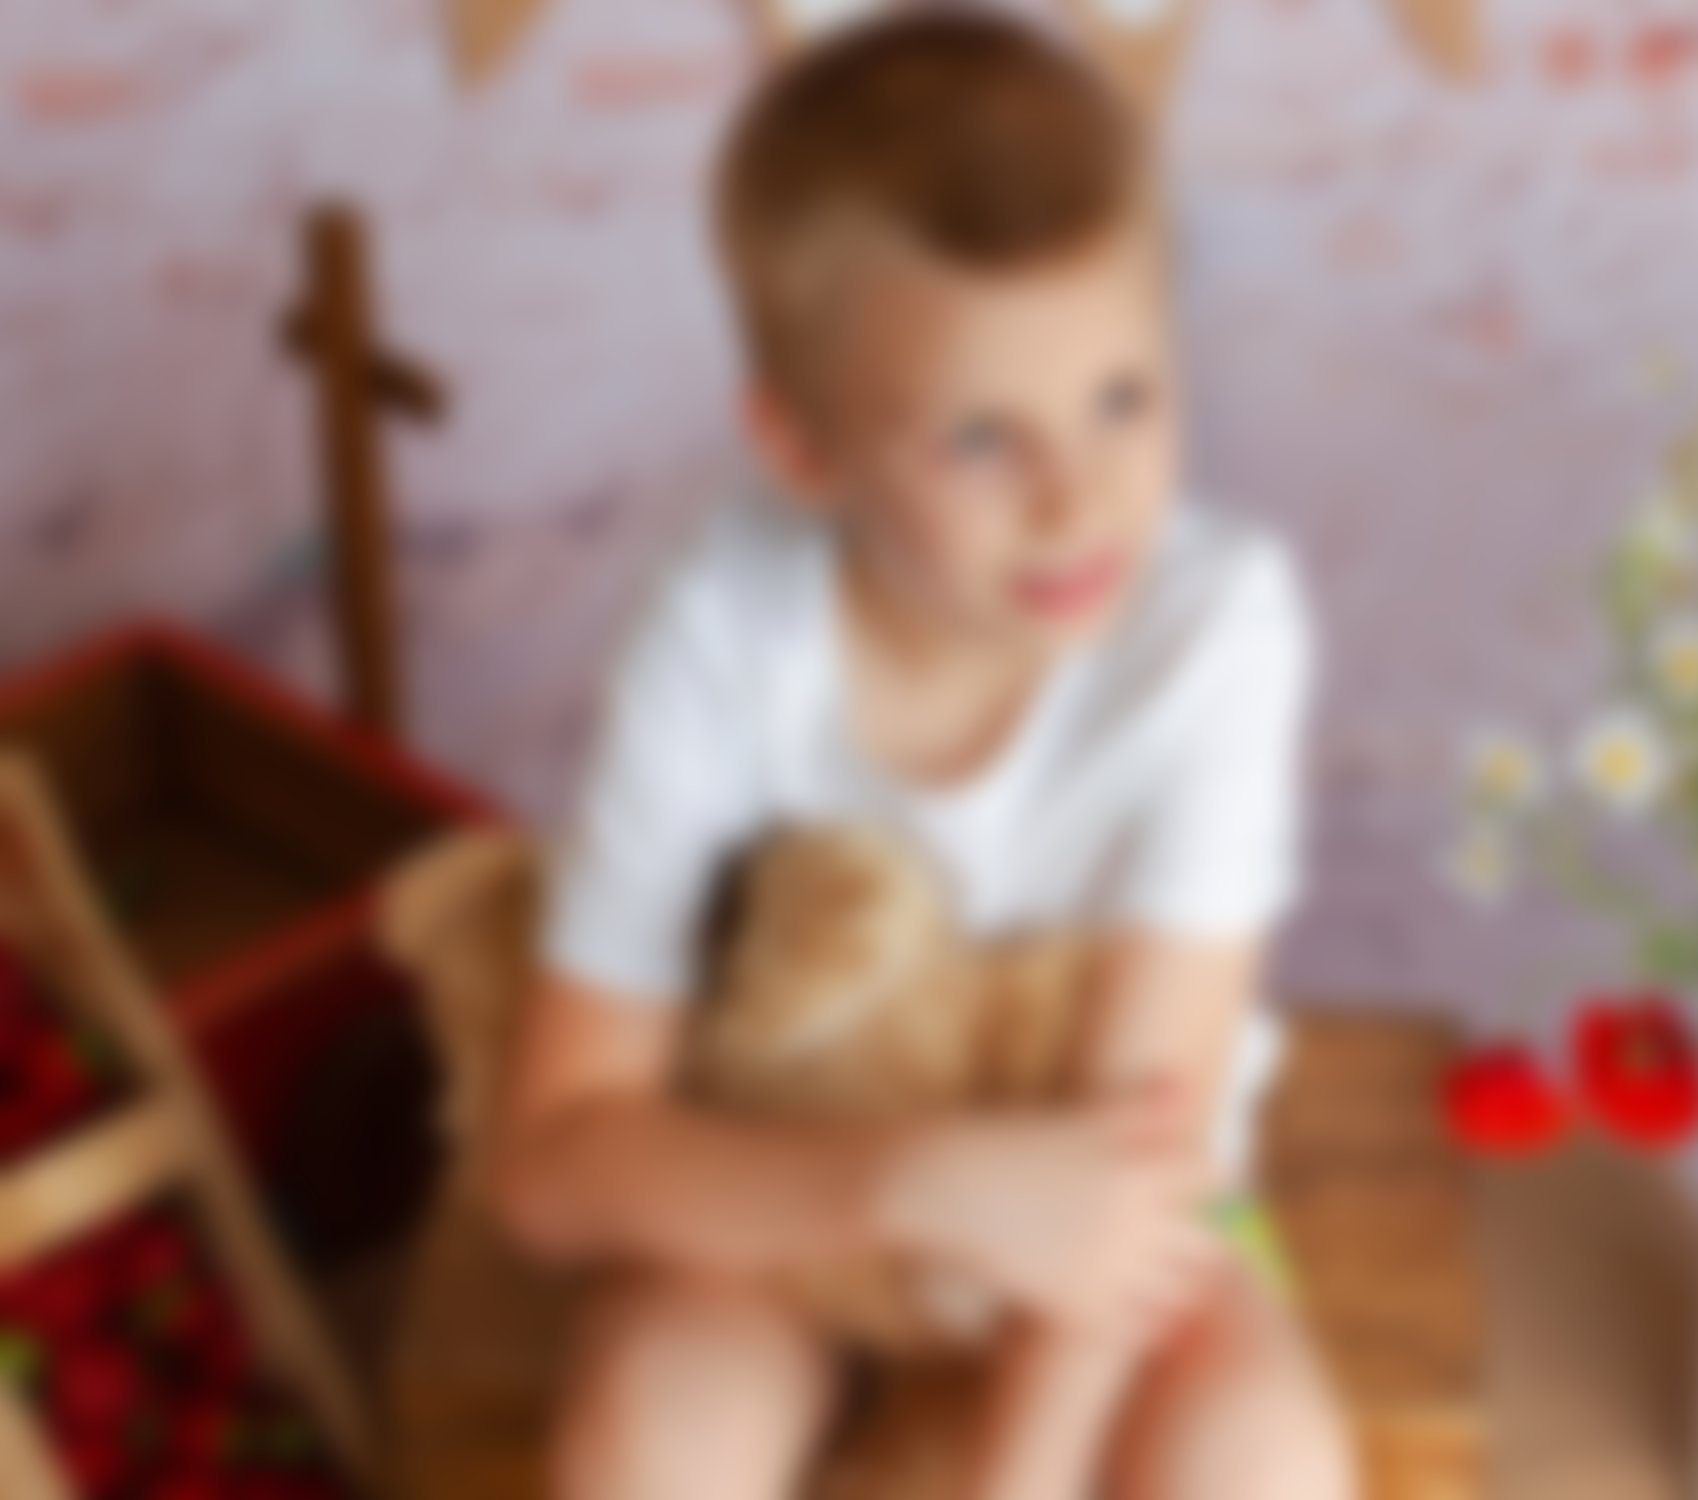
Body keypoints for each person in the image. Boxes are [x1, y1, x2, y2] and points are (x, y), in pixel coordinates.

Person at [487, 8, 1356, 1498]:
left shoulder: (1219, 632)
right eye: (978, 439)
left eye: (1123, 399)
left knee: (1258, 1457)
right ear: (801, 448)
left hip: (1123, 1236)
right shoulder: (719, 632)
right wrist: (904, 1185)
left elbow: (1138, 1163)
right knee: (655, 1428)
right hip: (790, 1188)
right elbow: (552, 1168)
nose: (1077, 500)